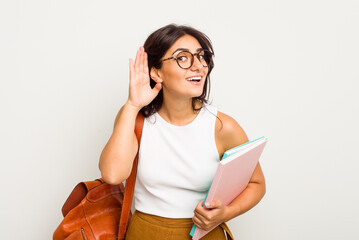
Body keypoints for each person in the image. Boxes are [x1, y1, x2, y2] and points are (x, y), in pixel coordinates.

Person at [99, 24, 266, 240]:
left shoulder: (223, 127)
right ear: (156, 72)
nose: (198, 66)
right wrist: (132, 105)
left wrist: (227, 213)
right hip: (144, 233)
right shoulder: (135, 117)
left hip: (204, 234)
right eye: (183, 58)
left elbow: (257, 183)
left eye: (201, 57)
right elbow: (112, 175)